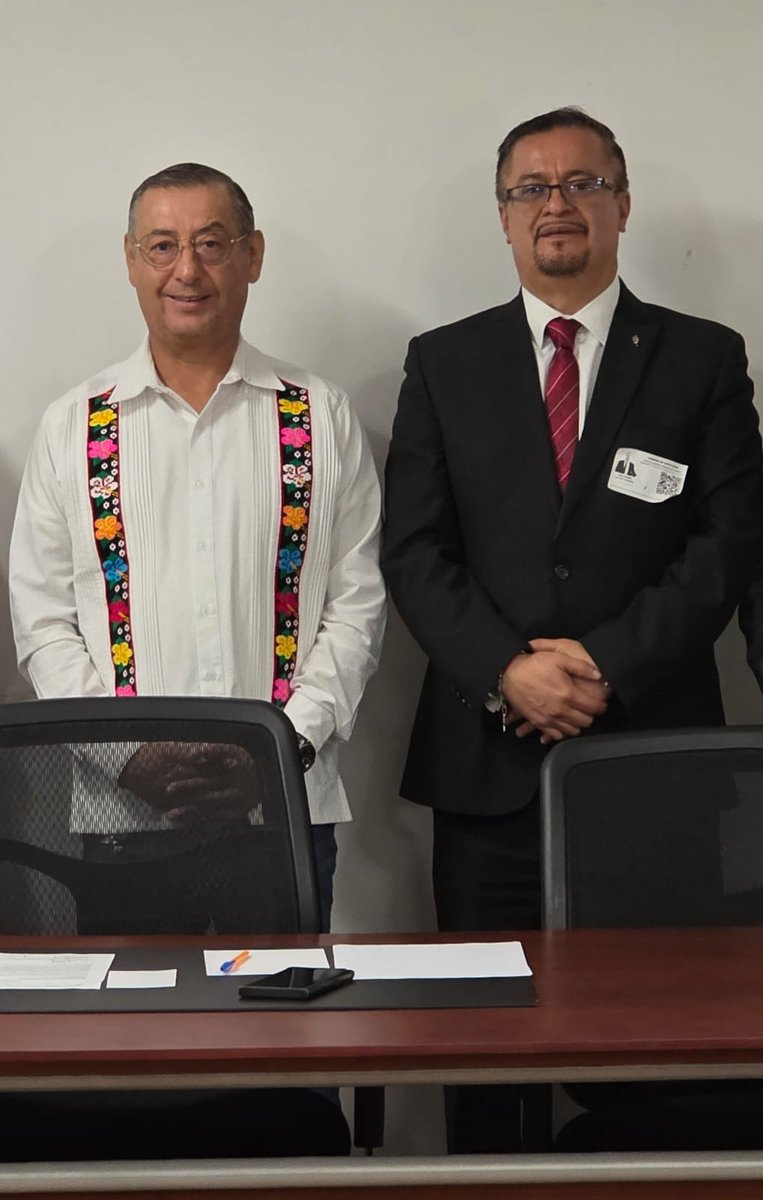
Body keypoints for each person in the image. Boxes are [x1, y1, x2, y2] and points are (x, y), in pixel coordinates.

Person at [382, 107, 763, 1150]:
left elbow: (726, 546)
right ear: (503, 218)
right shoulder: (443, 363)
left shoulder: (700, 359)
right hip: (485, 764)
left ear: (622, 203)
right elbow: (414, 554)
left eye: (581, 183)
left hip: (653, 762)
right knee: (482, 1052)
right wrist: (511, 672)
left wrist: (600, 664)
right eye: (530, 188)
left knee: (657, 1044)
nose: (556, 205)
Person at [10, 162, 386, 933]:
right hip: (119, 820)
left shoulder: (319, 415)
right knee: (140, 1045)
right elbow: (42, 619)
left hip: (285, 807)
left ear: (252, 255)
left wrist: (276, 749)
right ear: (130, 259)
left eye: (212, 244)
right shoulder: (74, 426)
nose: (187, 270)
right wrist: (128, 756)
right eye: (163, 246)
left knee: (285, 1034)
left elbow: (357, 606)